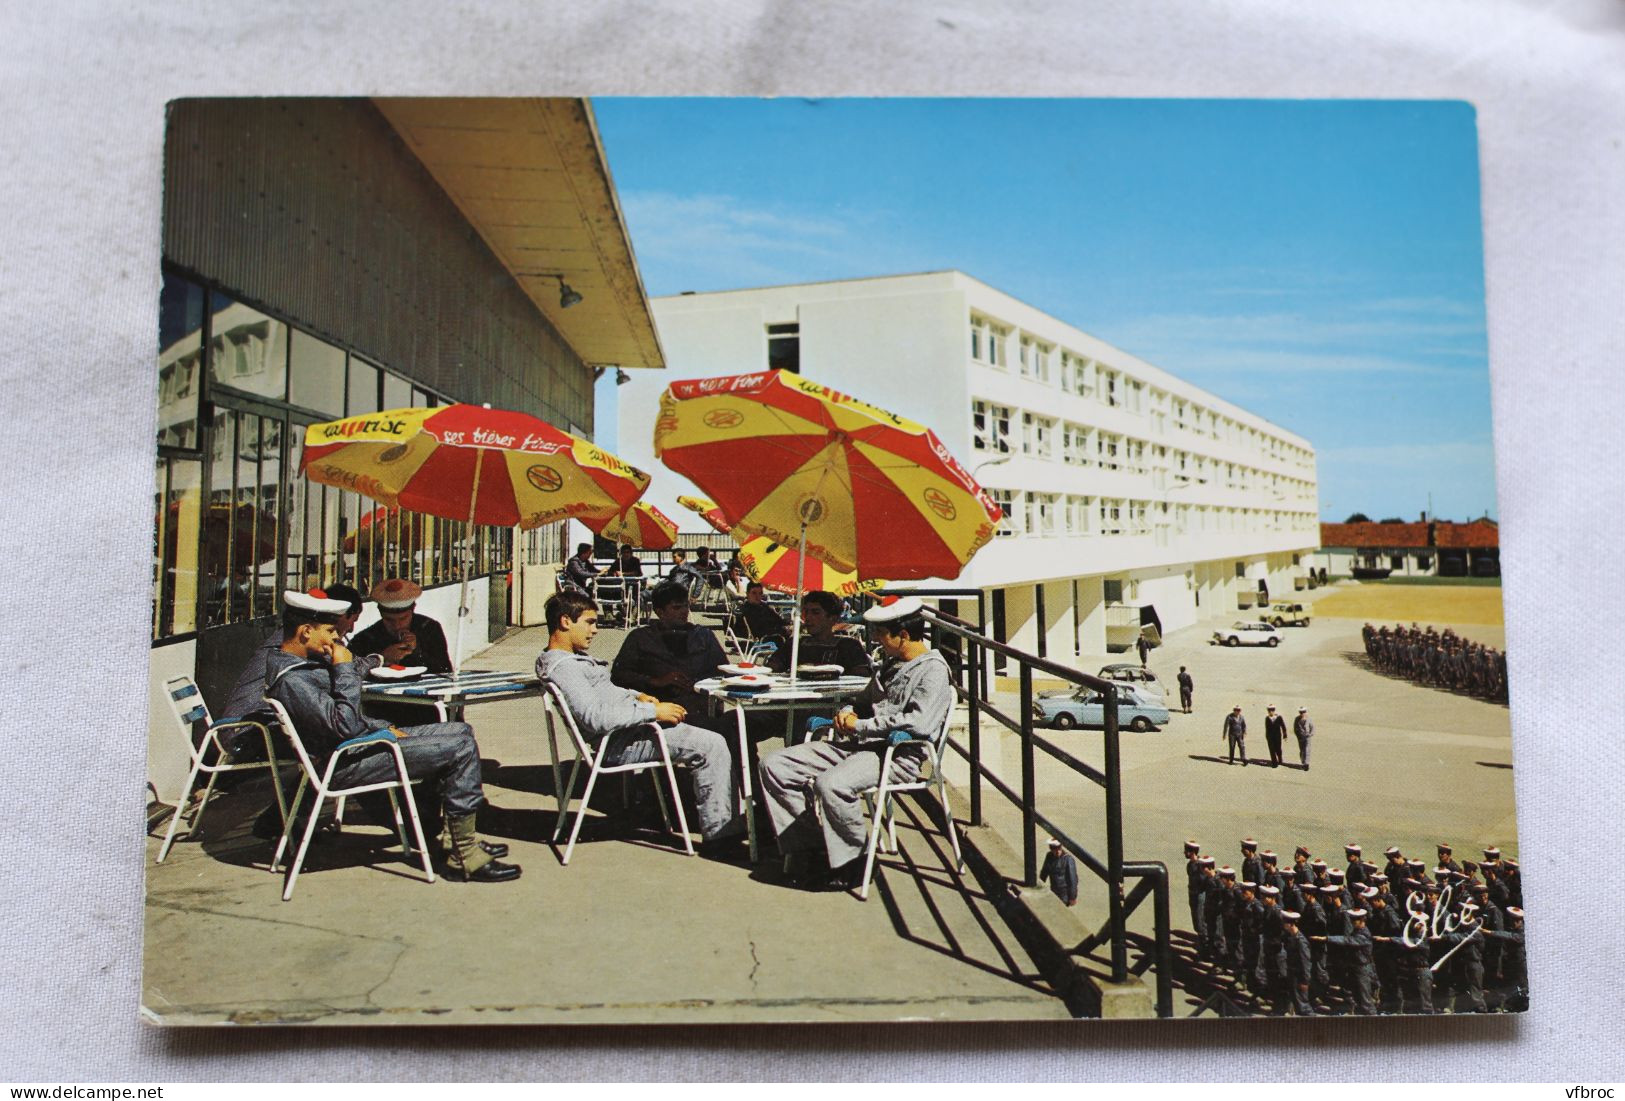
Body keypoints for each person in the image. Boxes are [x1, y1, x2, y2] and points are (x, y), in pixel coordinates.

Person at [263, 589, 520, 882]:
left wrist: (379, 713)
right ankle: (464, 853)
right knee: (459, 745)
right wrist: (344, 669)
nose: (336, 638)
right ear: (306, 631)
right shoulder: (293, 679)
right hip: (342, 764)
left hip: (355, 750)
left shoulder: (301, 665)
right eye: (331, 631)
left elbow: (343, 717)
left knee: (460, 730)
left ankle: (455, 838)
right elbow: (344, 725)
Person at [758, 596, 954, 892]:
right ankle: (810, 847)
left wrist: (859, 725)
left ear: (902, 635)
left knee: (832, 785)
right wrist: (849, 710)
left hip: (895, 754)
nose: (875, 639)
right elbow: (864, 700)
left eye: (880, 634)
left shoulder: (933, 671)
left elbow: (919, 724)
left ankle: (856, 858)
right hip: (858, 746)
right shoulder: (893, 663)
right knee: (774, 765)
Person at [535, 590, 745, 858]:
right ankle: (720, 835)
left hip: (626, 733)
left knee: (711, 736)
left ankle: (724, 823)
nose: (595, 630)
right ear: (565, 621)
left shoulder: (568, 660)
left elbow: (605, 695)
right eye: (589, 622)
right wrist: (651, 711)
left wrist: (636, 695)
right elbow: (595, 717)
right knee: (712, 744)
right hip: (618, 742)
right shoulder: (564, 667)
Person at [610, 581, 728, 717]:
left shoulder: (702, 635)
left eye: (686, 605)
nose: (685, 611)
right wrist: (656, 681)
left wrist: (697, 682)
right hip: (662, 713)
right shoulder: (641, 638)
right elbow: (619, 676)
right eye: (677, 607)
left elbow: (723, 671)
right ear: (660, 612)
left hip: (701, 709)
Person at [350, 578, 454, 674]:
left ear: (412, 611)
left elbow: (445, 670)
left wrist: (417, 652)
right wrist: (381, 659)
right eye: (389, 620)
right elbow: (350, 674)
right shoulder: (365, 638)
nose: (397, 626)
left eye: (403, 619)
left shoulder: (429, 629)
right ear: (381, 614)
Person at [765, 589, 872, 676]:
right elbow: (773, 665)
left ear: (832, 618)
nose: (808, 617)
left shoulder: (849, 646)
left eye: (815, 612)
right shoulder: (795, 643)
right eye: (806, 611)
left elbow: (862, 675)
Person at [1040, 837, 1079, 907]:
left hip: (1064, 894)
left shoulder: (1068, 859)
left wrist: (1072, 897)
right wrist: (1039, 883)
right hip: (1053, 890)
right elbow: (1044, 871)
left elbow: (1073, 880)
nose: (1057, 851)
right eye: (1054, 849)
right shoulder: (1049, 856)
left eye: (1059, 848)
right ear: (1051, 849)